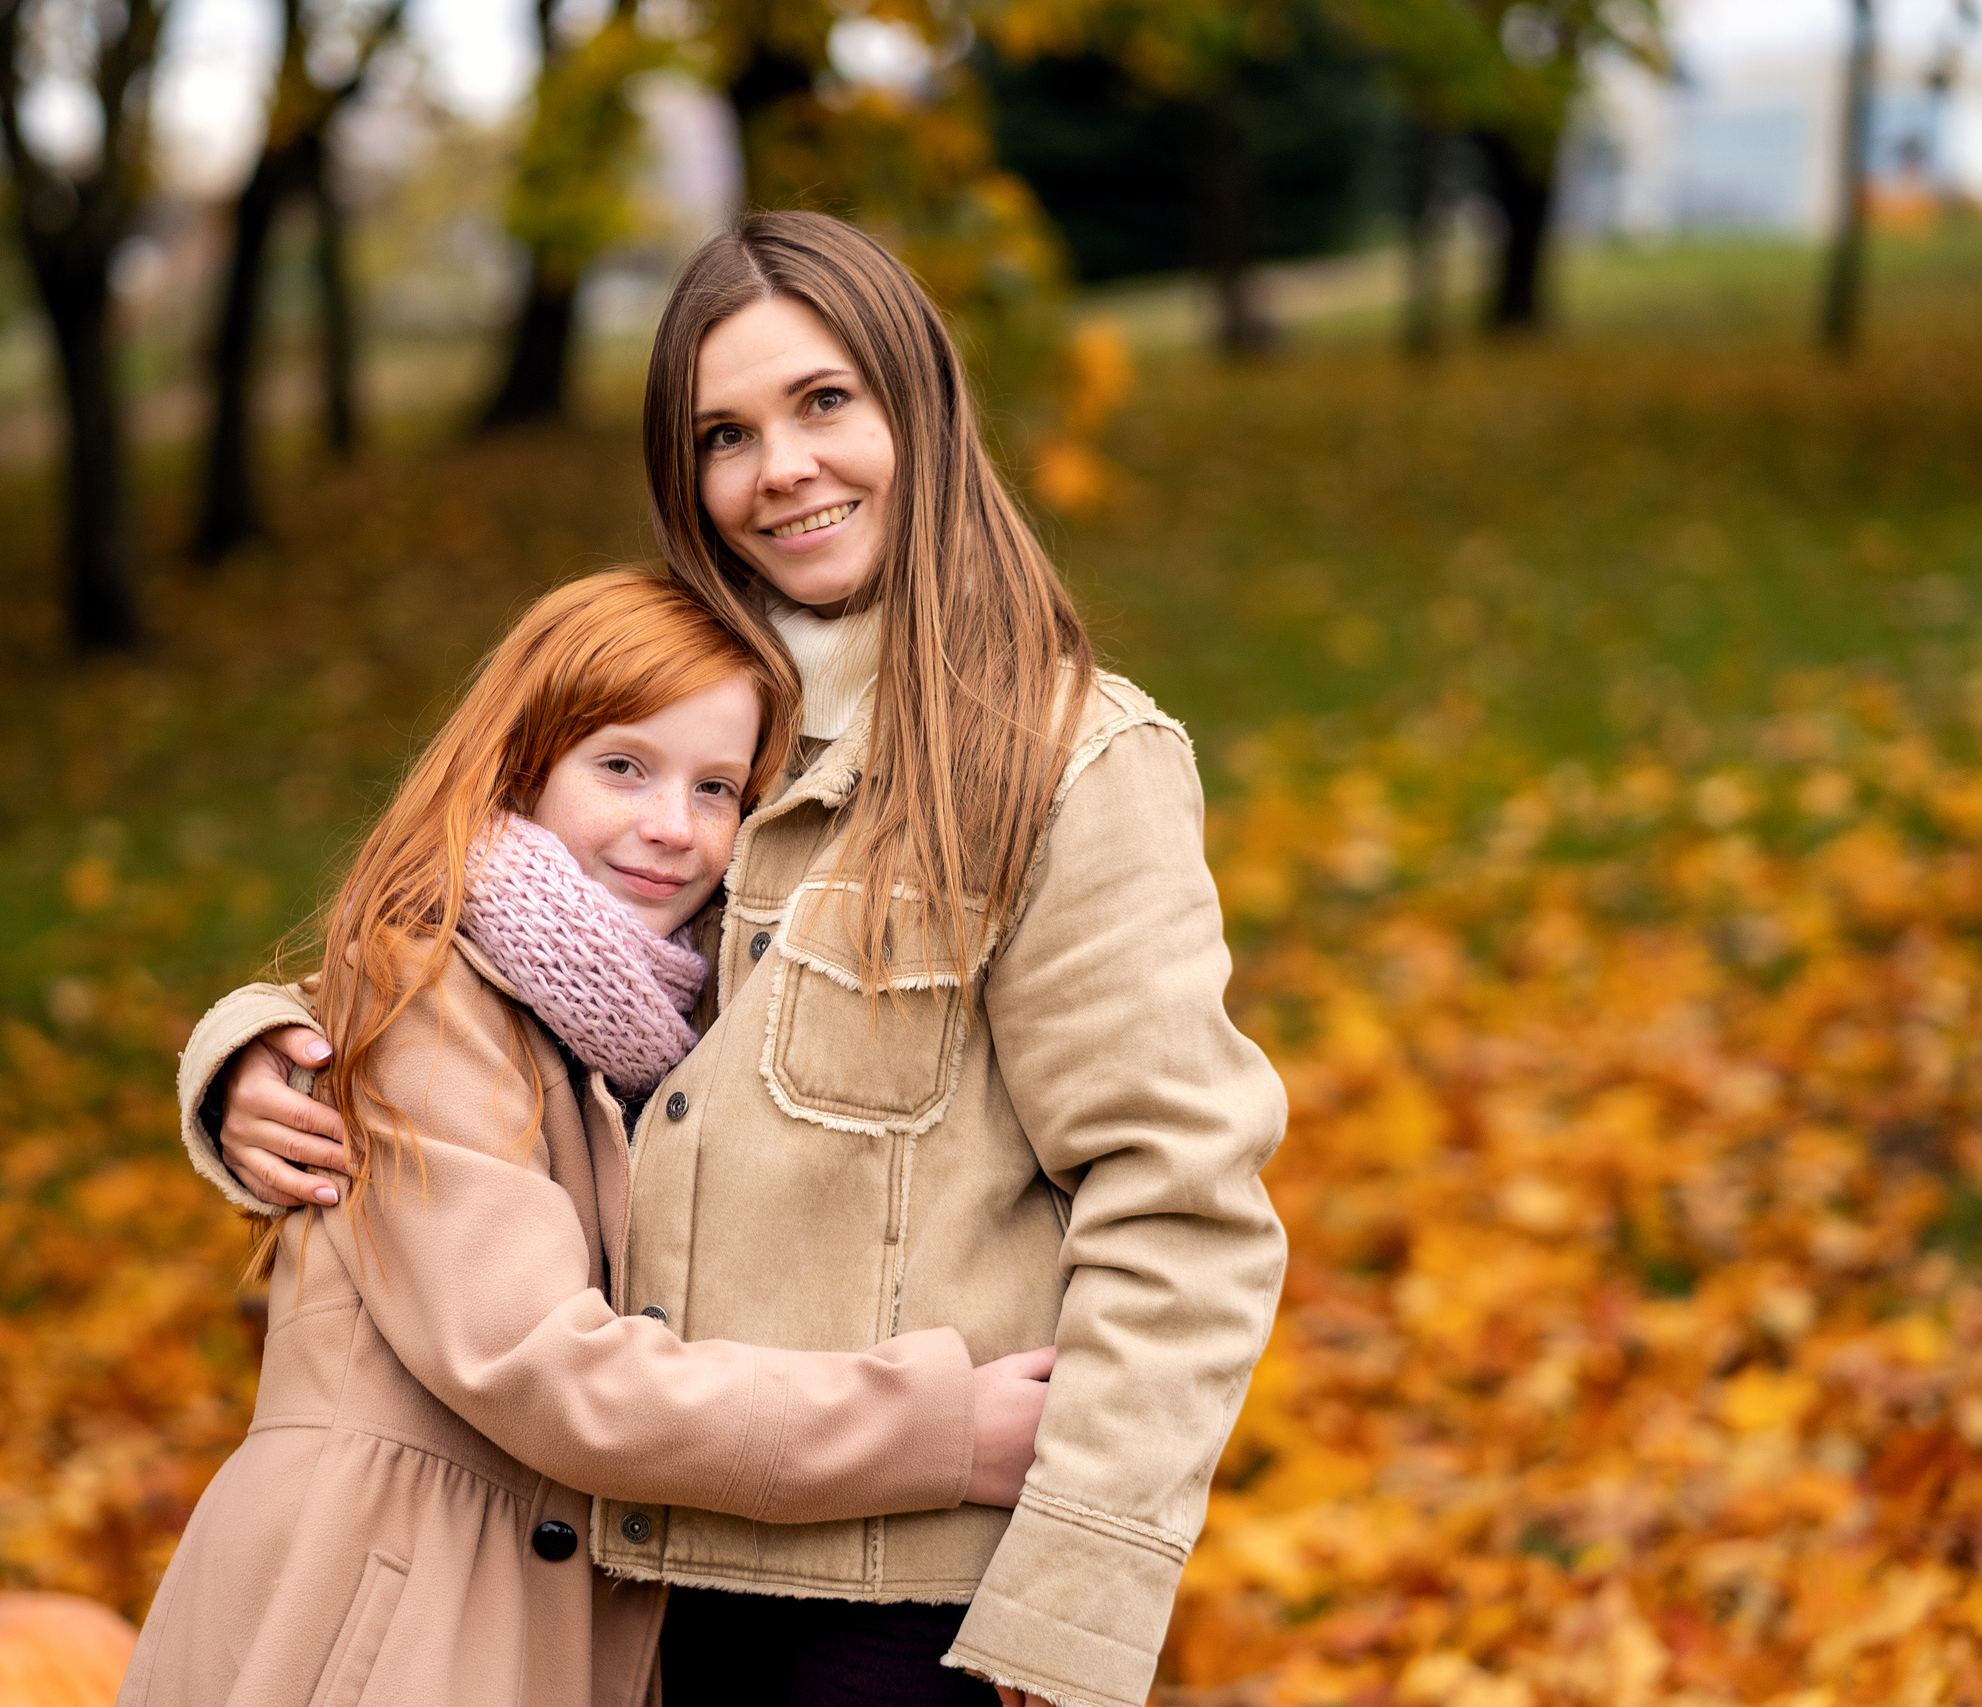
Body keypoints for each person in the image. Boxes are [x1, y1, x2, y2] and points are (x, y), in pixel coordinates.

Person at [181, 212, 1289, 1707]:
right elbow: (473, 951)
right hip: (619, 1591)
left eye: (825, 401)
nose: (782, 468)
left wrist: (1070, 1608)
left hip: (891, 1606)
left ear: (921, 408)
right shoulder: (696, 739)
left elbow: (1182, 1200)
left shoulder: (1063, 760)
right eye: (725, 431)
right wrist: (256, 1048)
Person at [125, 570, 1057, 1707]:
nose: (670, 827)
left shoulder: (661, 1036)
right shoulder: (428, 995)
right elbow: (549, 1373)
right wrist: (939, 1429)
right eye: (622, 767)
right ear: (520, 767)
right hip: (371, 1625)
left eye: (717, 788)